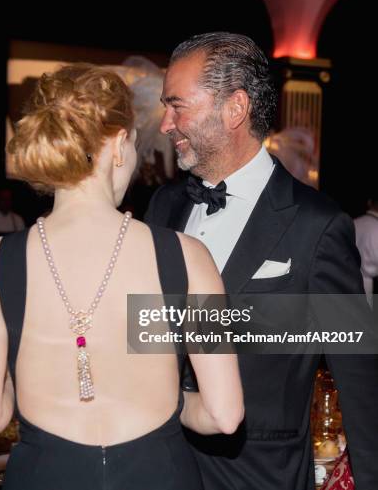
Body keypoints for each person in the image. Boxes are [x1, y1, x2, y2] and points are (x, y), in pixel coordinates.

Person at [0, 64, 243, 490]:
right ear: (118, 143)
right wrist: (169, 401)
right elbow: (224, 415)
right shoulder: (186, 257)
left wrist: (24, 373)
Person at [146, 31, 378, 490]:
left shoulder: (317, 225)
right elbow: (145, 336)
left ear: (235, 109)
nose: (166, 123)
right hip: (159, 468)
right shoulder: (163, 207)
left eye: (178, 105)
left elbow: (360, 379)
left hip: (258, 476)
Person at [354, 195, 378, 304]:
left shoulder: (354, 222)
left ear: (369, 203)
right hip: (366, 287)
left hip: (346, 283)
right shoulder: (376, 227)